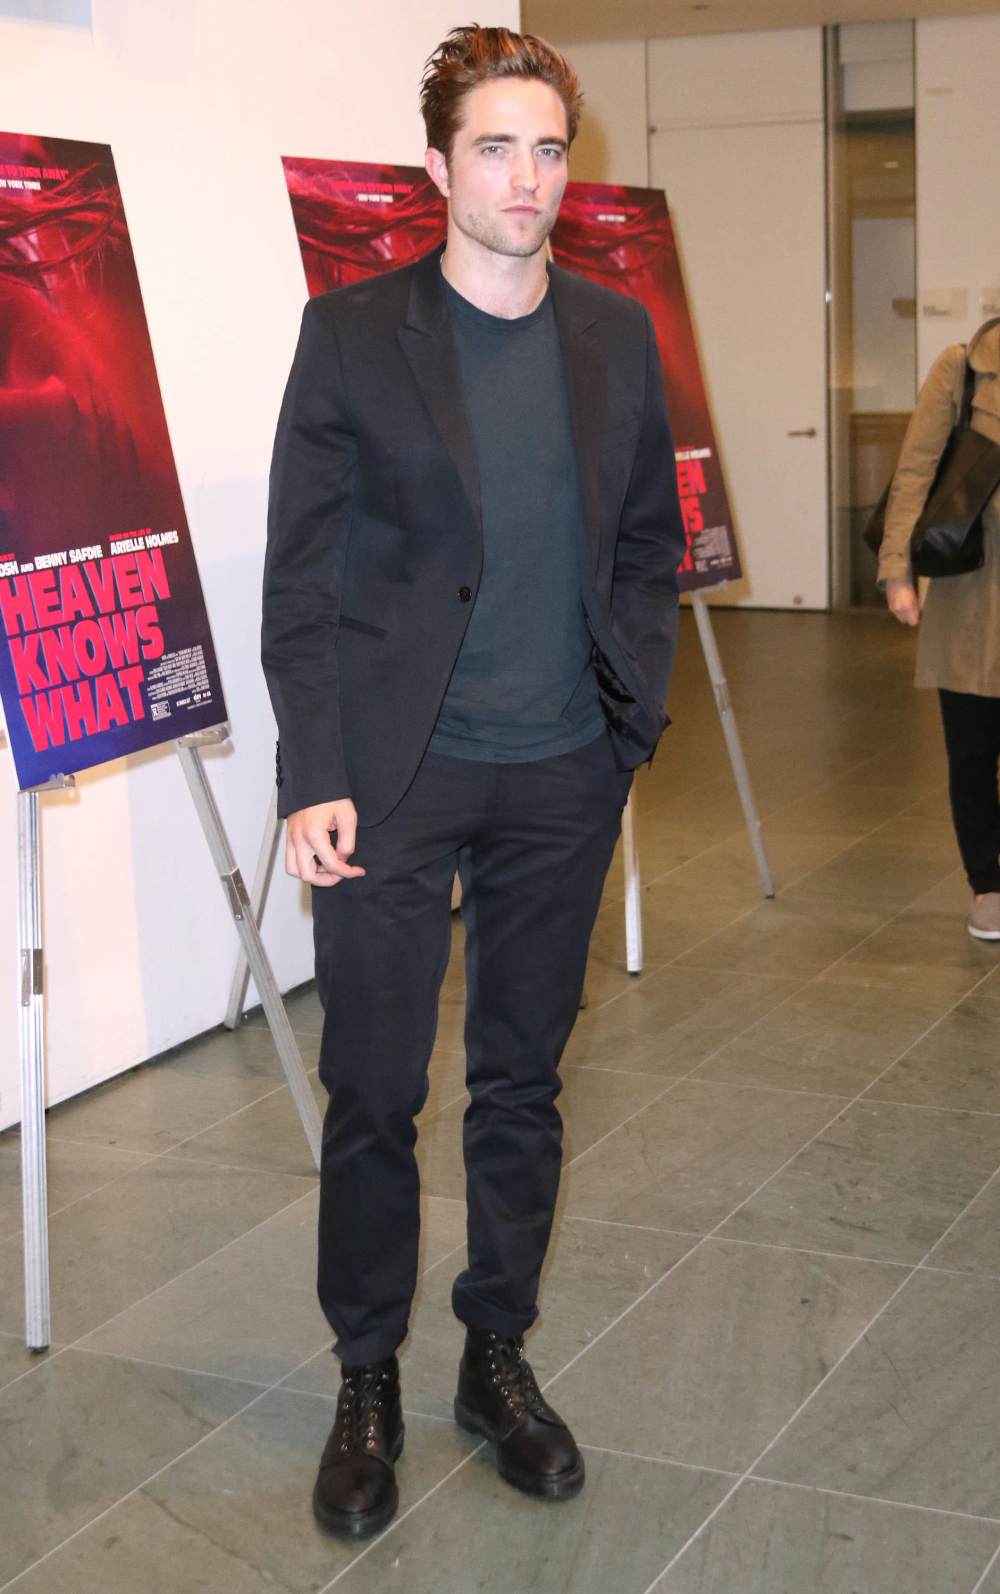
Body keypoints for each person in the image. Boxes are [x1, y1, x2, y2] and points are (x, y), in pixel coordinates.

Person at [262, 23, 686, 1540]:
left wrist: (625, 727)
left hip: (560, 771)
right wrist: (315, 771)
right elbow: (301, 573)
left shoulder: (616, 335)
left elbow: (646, 545)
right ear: (438, 169)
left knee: (521, 1081)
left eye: (548, 149)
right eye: (495, 148)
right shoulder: (353, 333)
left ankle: (494, 1352)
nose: (526, 178)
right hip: (393, 780)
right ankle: (365, 1372)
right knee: (376, 1087)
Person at [880, 315, 1000, 942]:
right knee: (974, 750)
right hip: (973, 596)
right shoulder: (963, 369)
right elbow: (916, 471)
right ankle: (989, 884)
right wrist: (897, 571)